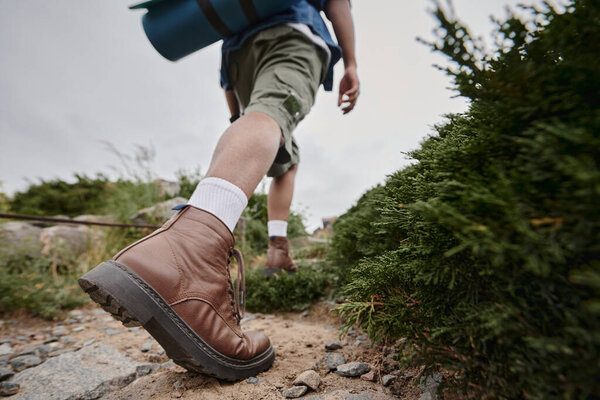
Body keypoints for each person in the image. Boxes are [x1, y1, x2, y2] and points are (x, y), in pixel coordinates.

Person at [79, 0, 358, 381]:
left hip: (237, 57)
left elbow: (232, 91)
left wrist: (238, 119)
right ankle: (191, 247)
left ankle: (274, 247)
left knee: (284, 156)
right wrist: (352, 63)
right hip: (293, 30)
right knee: (272, 114)